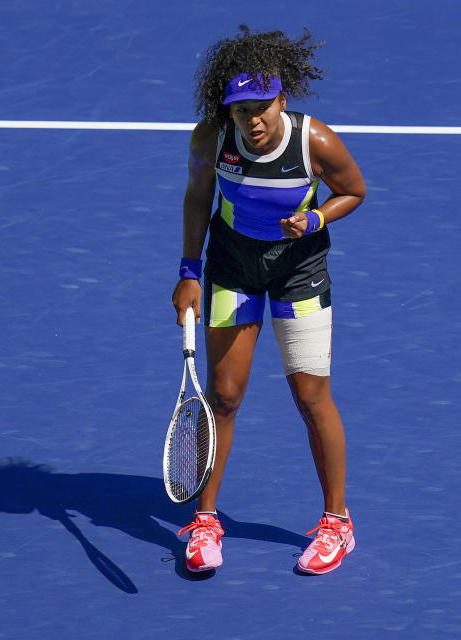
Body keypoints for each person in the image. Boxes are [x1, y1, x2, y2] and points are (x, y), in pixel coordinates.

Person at [171, 25, 366, 575]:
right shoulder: (211, 139)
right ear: (226, 109)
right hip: (232, 269)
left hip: (298, 273)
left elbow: (354, 190)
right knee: (224, 396)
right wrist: (188, 271)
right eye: (240, 109)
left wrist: (317, 218)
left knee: (311, 397)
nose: (253, 119)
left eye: (262, 105)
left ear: (282, 99)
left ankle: (337, 523)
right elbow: (197, 198)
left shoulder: (315, 142)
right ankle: (204, 520)